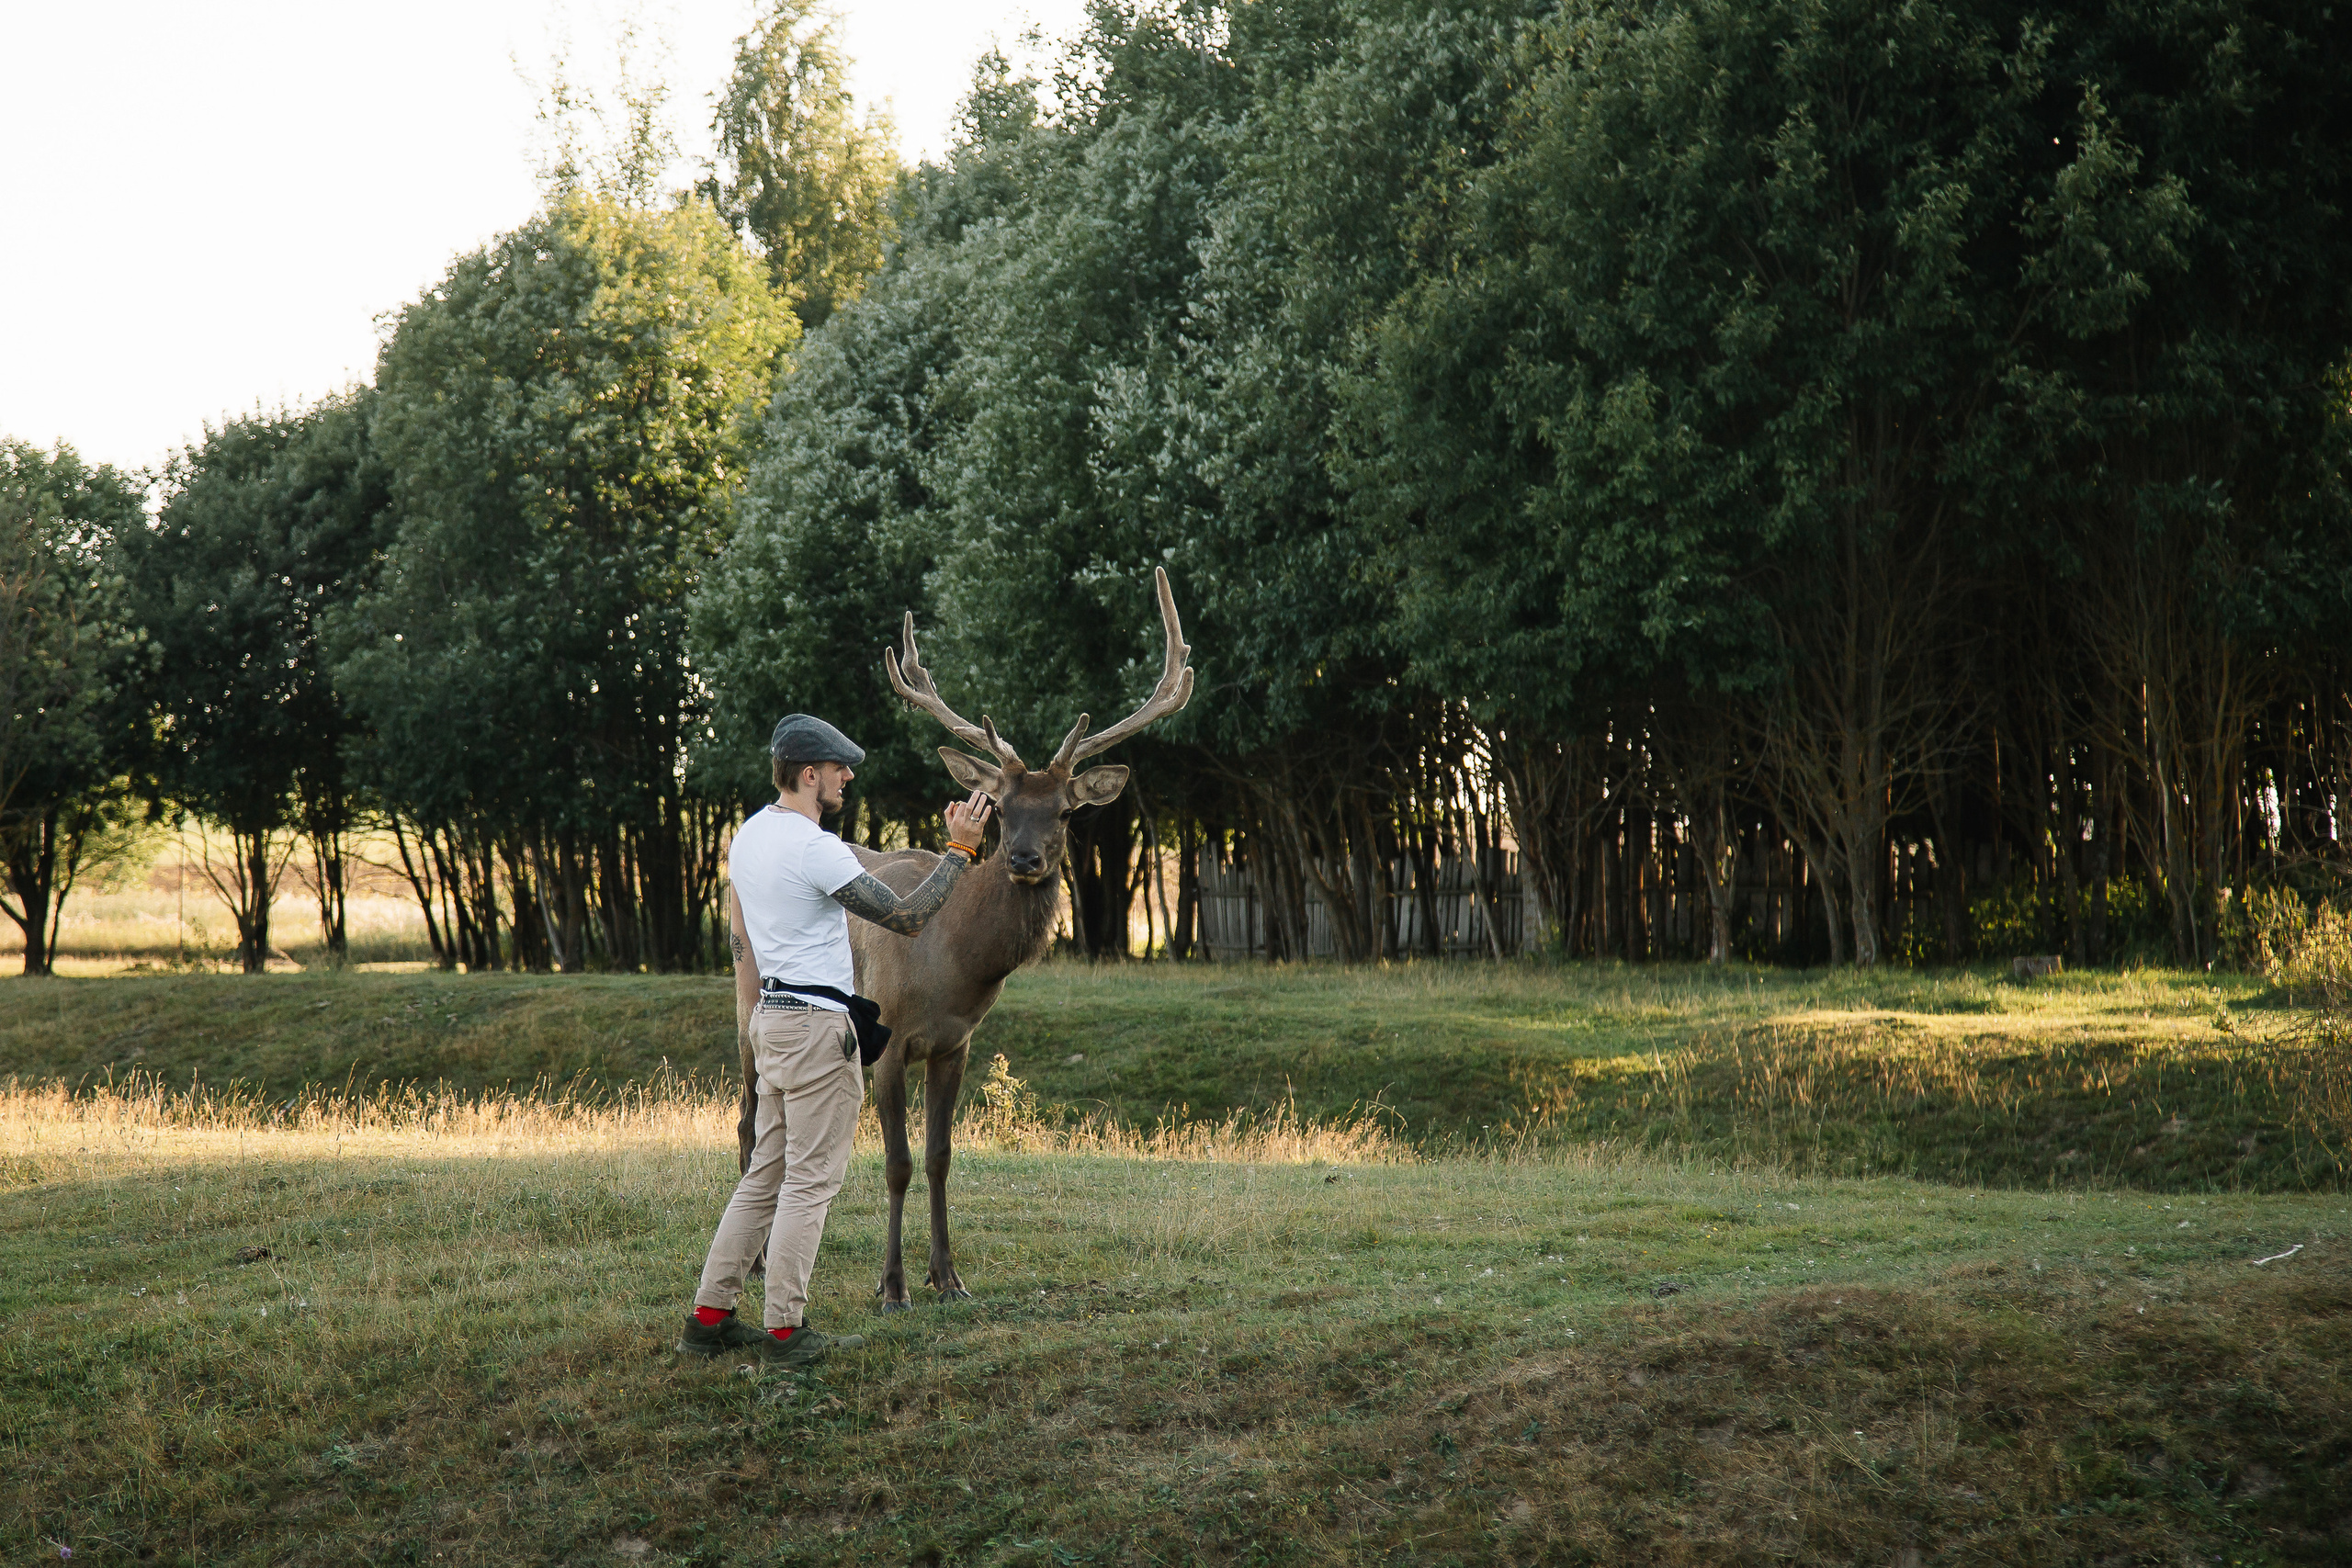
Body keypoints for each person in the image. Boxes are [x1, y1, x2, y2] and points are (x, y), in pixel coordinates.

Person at [678, 713, 991, 1365]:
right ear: (808, 774)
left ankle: (709, 1317)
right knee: (810, 1181)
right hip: (818, 1031)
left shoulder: (750, 836)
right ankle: (785, 1331)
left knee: (764, 1175)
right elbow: (907, 916)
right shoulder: (815, 848)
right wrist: (960, 851)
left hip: (772, 1020)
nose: (847, 776)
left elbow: (743, 939)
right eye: (838, 768)